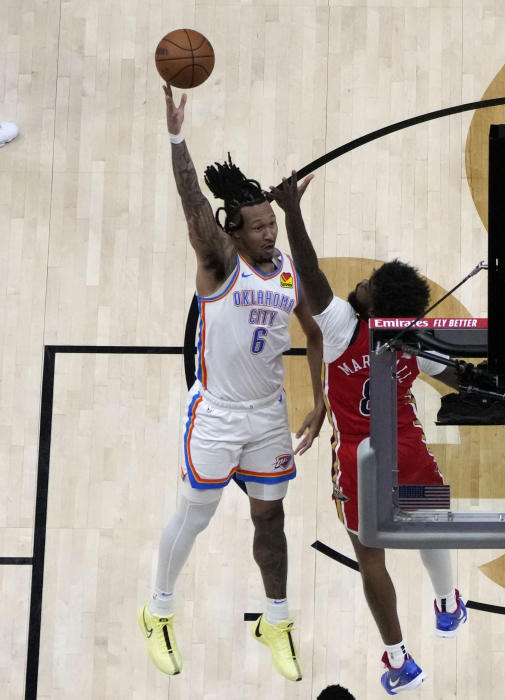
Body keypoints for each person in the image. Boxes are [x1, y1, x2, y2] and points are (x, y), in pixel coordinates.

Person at [137, 86, 325, 682]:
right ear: (233, 231)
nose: (269, 233)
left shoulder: (287, 266)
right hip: (217, 413)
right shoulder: (220, 262)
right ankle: (158, 609)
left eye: (272, 224)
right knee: (197, 513)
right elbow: (192, 198)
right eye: (260, 226)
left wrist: (318, 404)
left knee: (271, 520)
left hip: (268, 414)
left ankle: (276, 619)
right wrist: (176, 136)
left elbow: (315, 334)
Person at [269, 171, 468, 695]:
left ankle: (401, 662)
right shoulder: (411, 338)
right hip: (408, 448)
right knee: (435, 522)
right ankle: (447, 604)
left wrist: (293, 213)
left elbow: (310, 272)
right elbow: (457, 379)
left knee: (369, 558)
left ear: (374, 306)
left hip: (361, 459)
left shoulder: (341, 326)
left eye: (369, 285)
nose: (361, 282)